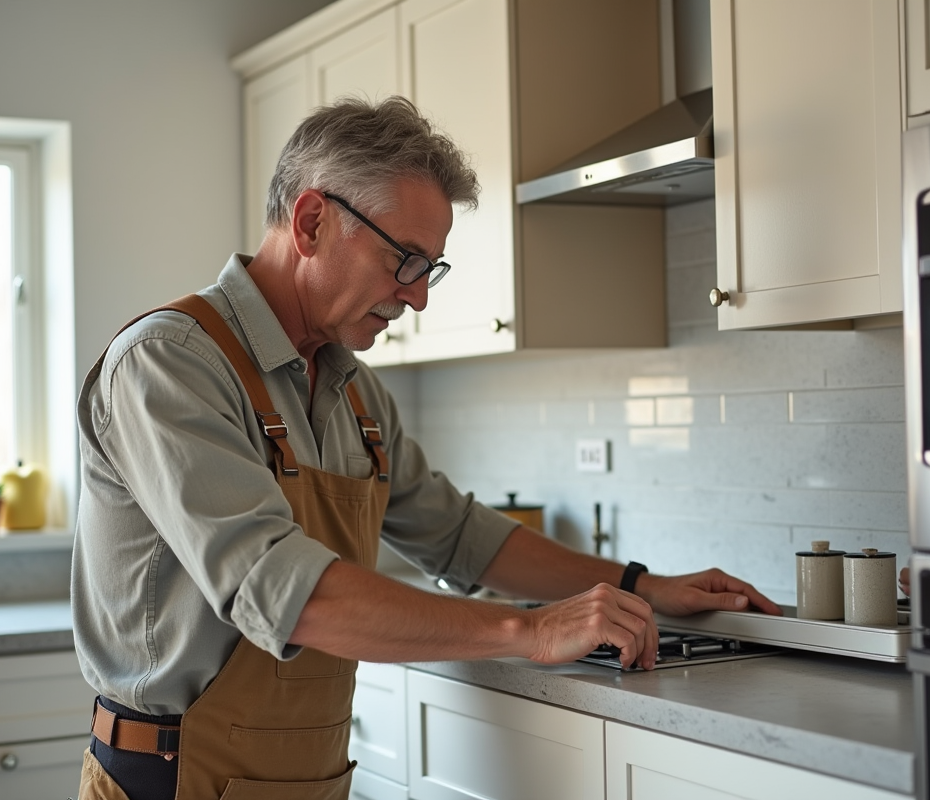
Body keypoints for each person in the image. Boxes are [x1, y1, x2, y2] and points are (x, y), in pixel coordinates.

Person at [72, 96, 780, 800]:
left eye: (429, 270)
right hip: (166, 778)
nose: (417, 299)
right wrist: (530, 630)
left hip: (309, 775)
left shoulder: (356, 395)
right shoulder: (168, 364)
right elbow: (286, 594)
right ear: (313, 221)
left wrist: (642, 586)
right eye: (404, 260)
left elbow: (460, 538)